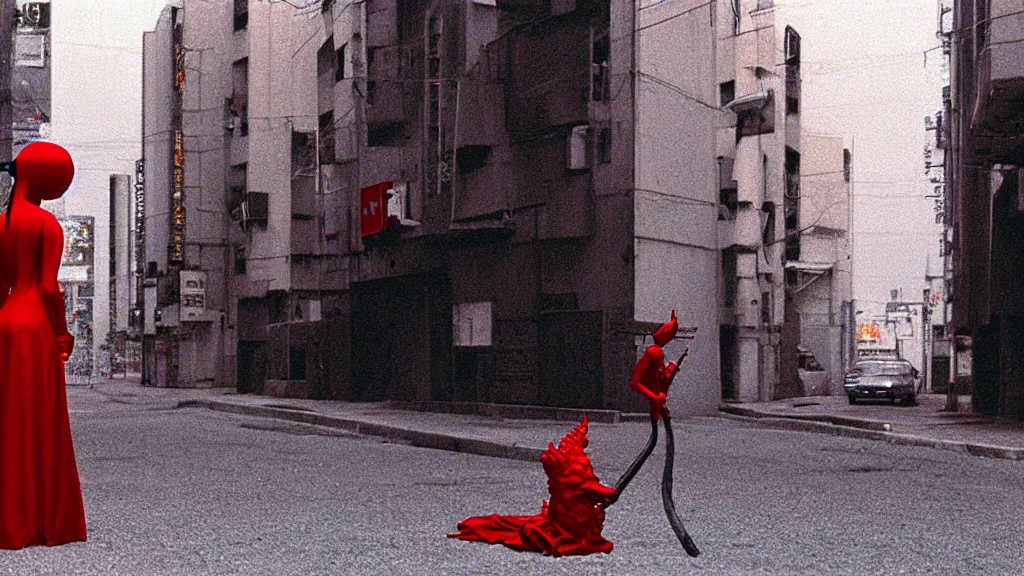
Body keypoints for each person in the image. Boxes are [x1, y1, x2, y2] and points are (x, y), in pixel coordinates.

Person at [0, 142, 87, 549]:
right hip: (35, 324)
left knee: (9, 422)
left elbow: (2, 287)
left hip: (6, 321)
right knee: (42, 422)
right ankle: (44, 521)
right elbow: (50, 289)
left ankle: (10, 521)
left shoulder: (1, 223)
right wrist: (63, 334)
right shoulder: (46, 225)